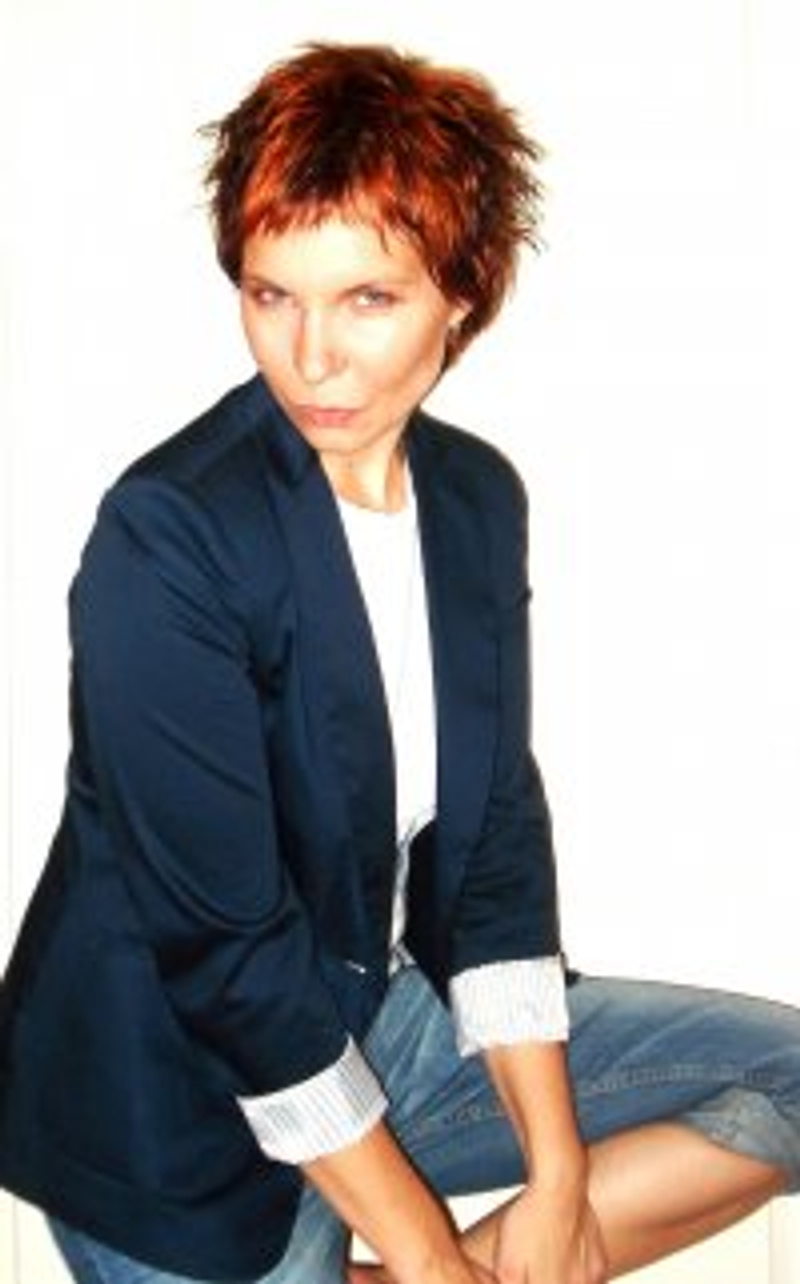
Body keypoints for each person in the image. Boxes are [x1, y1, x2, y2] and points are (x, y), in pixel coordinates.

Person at [0, 40, 798, 1284]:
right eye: (271, 294)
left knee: (786, 1080)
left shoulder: (473, 501)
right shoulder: (167, 537)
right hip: (165, 1108)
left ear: (460, 296)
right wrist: (431, 1258)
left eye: (367, 298)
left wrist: (557, 1179)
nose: (309, 355)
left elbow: (492, 842)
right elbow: (228, 960)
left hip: (370, 1014)